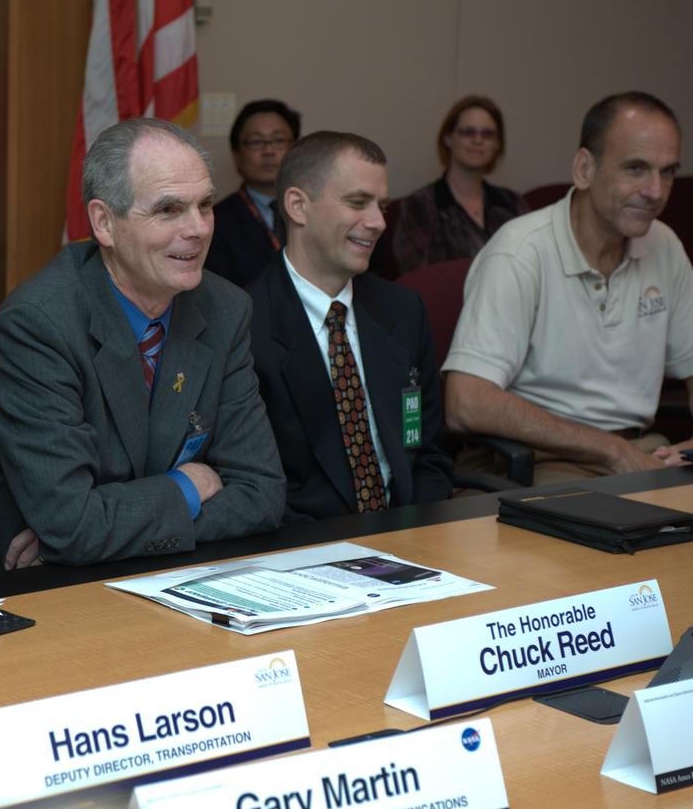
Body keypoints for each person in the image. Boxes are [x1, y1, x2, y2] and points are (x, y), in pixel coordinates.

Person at [0, 117, 286, 576]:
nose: (198, 228)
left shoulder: (225, 308)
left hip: (143, 571)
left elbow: (261, 495)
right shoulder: (39, 323)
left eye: (205, 205)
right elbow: (73, 523)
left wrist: (105, 532)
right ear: (104, 223)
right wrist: (189, 485)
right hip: (13, 575)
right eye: (169, 210)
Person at [443, 92, 693, 483]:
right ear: (584, 169)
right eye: (636, 168)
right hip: (537, 460)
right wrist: (612, 451)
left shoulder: (664, 245)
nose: (656, 192)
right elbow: (466, 402)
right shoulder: (520, 250)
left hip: (641, 453)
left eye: (668, 172)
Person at [246, 132, 453, 520]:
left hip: (411, 533)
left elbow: (428, 454)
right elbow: (252, 488)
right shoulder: (245, 326)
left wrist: (419, 534)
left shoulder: (404, 310)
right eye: (358, 203)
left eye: (382, 207)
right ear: (298, 206)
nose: (378, 223)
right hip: (303, 543)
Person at [392, 95, 528, 274]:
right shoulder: (419, 206)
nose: (478, 140)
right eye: (468, 132)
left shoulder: (513, 204)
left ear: (497, 144)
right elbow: (420, 277)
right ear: (448, 138)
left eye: (487, 134)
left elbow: (533, 264)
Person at [204, 99, 301, 287]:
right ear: (237, 156)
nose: (268, 150)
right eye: (256, 142)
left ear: (295, 150)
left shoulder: (320, 210)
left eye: (279, 140)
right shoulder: (214, 222)